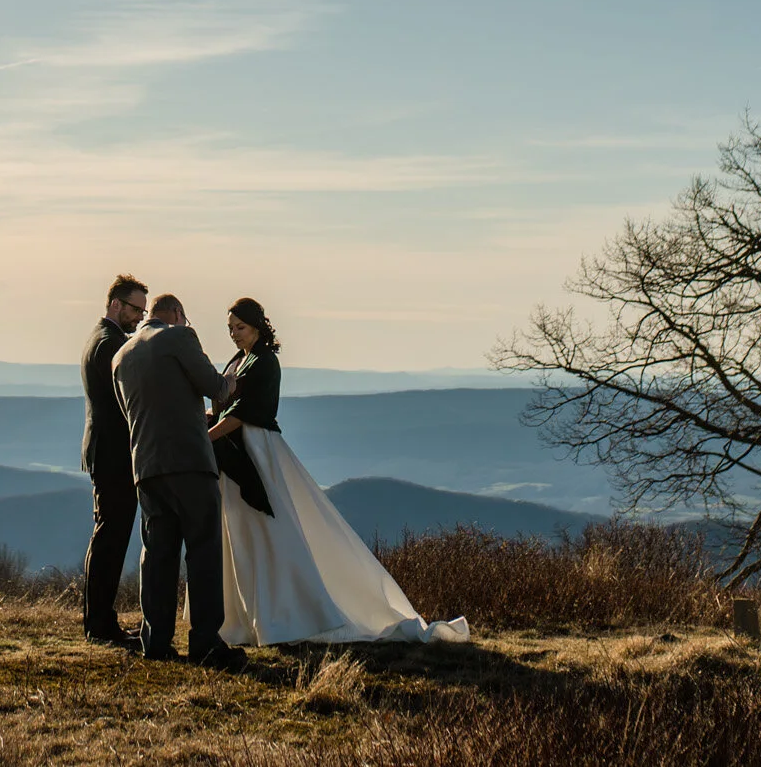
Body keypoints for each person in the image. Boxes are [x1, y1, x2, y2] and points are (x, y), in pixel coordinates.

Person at [211, 297, 469, 646]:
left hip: (258, 449)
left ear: (257, 325)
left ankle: (284, 611)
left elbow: (243, 411)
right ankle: (252, 613)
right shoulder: (241, 359)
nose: (234, 335)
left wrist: (205, 436)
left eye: (239, 327)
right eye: (230, 329)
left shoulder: (265, 361)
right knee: (246, 528)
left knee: (273, 527)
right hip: (238, 450)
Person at [109, 293, 247, 671]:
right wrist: (230, 381)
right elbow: (214, 386)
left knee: (157, 555)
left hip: (147, 467)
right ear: (176, 315)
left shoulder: (121, 356)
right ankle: (204, 643)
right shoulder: (179, 337)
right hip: (188, 461)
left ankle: (155, 640)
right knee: (203, 550)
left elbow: (133, 412)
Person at [77, 273, 147, 648]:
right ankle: (101, 626)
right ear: (116, 304)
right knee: (111, 538)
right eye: (135, 309)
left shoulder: (98, 338)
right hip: (115, 454)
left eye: (144, 310)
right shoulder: (112, 344)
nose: (140, 317)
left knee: (108, 535)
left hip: (104, 451)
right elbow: (128, 400)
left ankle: (100, 621)